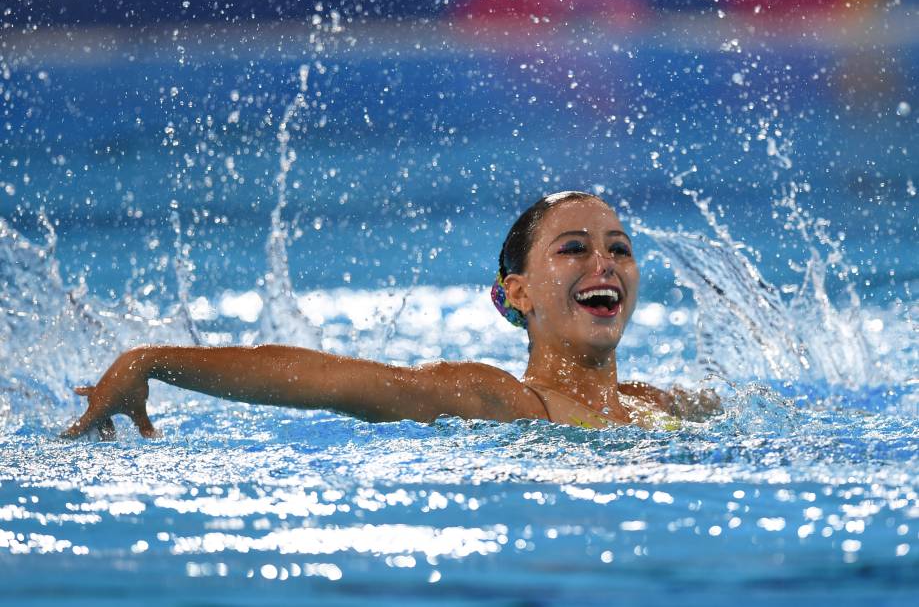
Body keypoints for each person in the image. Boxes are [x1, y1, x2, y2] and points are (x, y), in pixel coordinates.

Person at [62, 191, 718, 439]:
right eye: (573, 249)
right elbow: (332, 381)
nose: (603, 264)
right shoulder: (505, 401)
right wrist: (155, 361)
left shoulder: (660, 405)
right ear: (517, 293)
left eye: (619, 251)